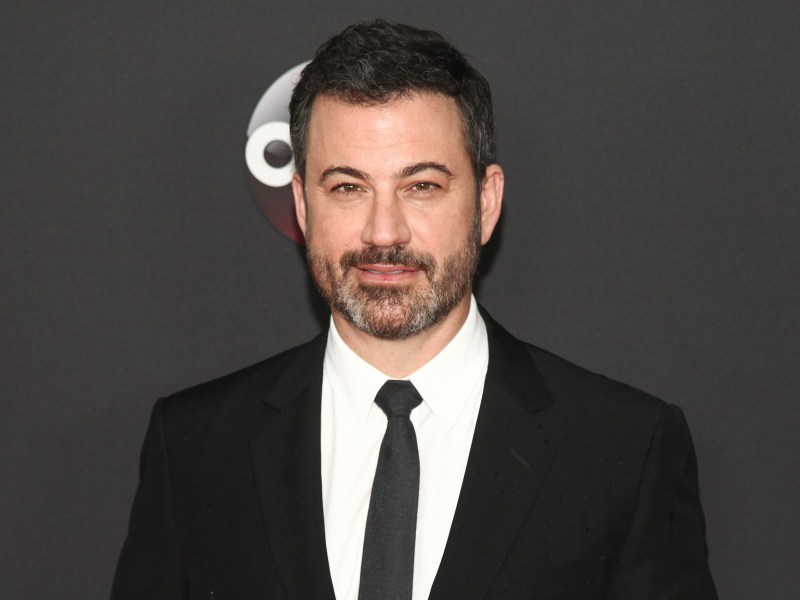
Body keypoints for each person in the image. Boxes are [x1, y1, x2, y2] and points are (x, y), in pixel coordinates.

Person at [111, 20, 718, 600]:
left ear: (486, 203)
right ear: (301, 206)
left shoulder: (623, 449)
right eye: (348, 187)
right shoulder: (194, 449)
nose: (383, 231)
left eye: (421, 186)